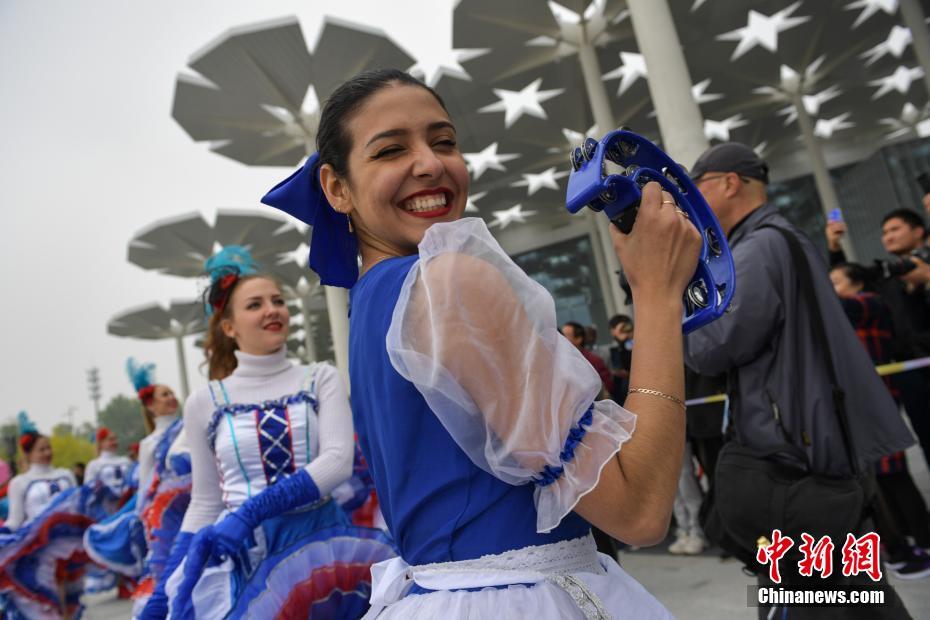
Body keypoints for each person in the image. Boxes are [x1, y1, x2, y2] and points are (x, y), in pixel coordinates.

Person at [263, 68, 703, 618]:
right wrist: (657, 294)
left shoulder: (370, 302)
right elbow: (638, 509)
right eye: (391, 150)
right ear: (336, 188)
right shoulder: (449, 280)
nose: (430, 163)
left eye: (444, 142)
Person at [684, 142, 915, 617]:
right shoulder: (781, 240)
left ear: (730, 183)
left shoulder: (758, 247)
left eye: (698, 185)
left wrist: (674, 298)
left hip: (792, 454)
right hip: (813, 443)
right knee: (848, 592)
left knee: (812, 595)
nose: (694, 199)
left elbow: (714, 347)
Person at [146, 246, 393, 620]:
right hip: (250, 558)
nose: (272, 309)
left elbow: (337, 462)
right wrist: (164, 588)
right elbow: (205, 503)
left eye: (278, 301)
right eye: (255, 304)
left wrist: (249, 513)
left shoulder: (319, 377)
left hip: (324, 551)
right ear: (229, 327)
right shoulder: (204, 401)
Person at [828, 262, 930, 578]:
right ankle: (903, 543)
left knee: (892, 474)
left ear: (858, 284)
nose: (831, 288)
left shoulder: (869, 303)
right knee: (882, 476)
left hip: (873, 400)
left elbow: (835, 306)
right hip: (863, 401)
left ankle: (919, 543)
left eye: (836, 281)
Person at [829, 209, 930, 471]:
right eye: (884, 232)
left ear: (919, 231)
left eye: (895, 229)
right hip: (907, 368)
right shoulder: (887, 275)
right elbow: (852, 279)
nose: (888, 236)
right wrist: (835, 247)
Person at [0, 413, 90, 619]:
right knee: (51, 600)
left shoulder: (65, 474)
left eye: (48, 447)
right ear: (28, 453)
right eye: (41, 449)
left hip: (70, 545)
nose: (48, 452)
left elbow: (78, 507)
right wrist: (4, 536)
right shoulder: (20, 482)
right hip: (40, 550)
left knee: (71, 598)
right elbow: (16, 519)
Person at [561, 321, 614, 398]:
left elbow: (608, 387)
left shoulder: (594, 361)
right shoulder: (560, 361)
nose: (560, 339)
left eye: (564, 336)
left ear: (578, 339)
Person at [607, 314, 634, 403]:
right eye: (621, 329)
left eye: (628, 328)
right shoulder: (611, 350)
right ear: (612, 331)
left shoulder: (635, 345)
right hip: (621, 394)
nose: (625, 331)